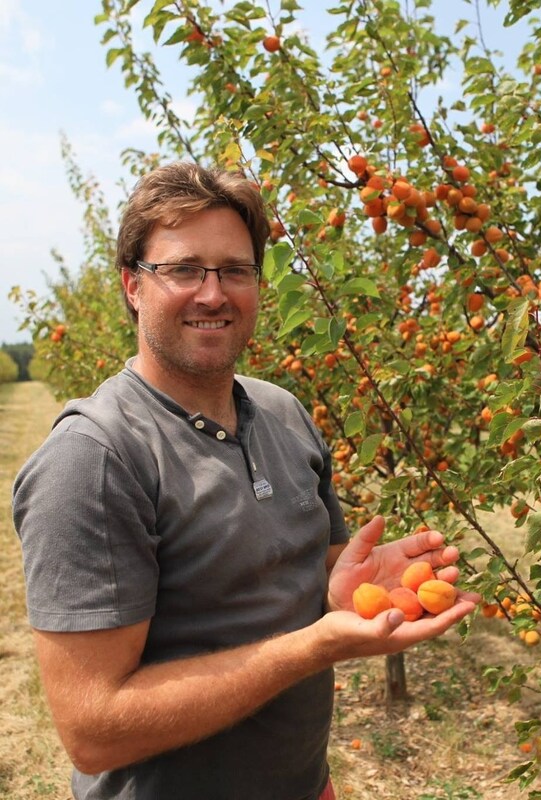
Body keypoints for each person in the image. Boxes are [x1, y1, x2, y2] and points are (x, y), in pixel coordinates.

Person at [12, 162, 478, 800]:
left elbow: (302, 569)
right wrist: (314, 648)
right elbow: (96, 730)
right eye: (182, 269)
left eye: (235, 270)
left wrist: (345, 586)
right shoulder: (95, 459)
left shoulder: (283, 412)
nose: (213, 293)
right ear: (131, 285)